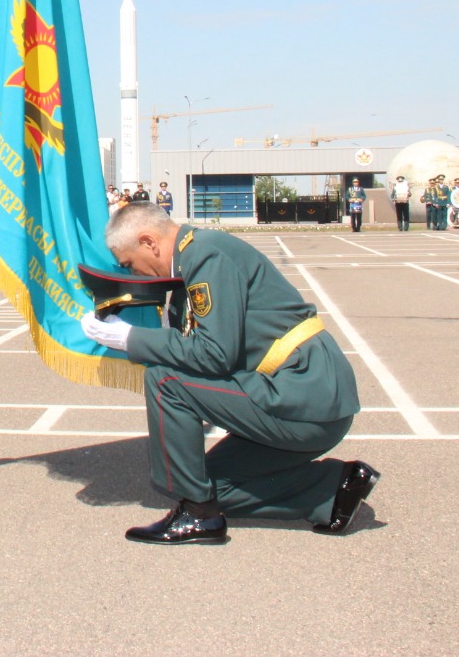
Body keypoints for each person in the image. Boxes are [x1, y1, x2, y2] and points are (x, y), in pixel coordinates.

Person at [80, 202, 377, 544]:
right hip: (294, 396)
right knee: (208, 482)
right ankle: (332, 489)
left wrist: (130, 338)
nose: (135, 274)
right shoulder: (189, 261)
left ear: (149, 242)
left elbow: (215, 354)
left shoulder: (205, 255)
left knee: (166, 382)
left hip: (304, 396)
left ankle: (197, 514)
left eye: (130, 264)